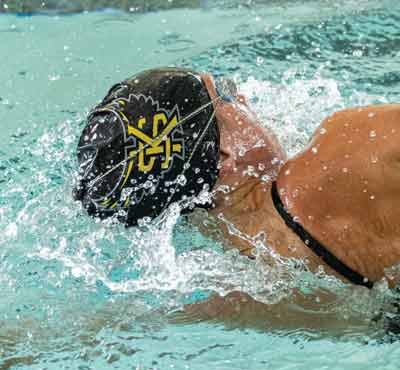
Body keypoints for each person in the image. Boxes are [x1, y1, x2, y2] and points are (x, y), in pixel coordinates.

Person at [73, 67, 400, 299]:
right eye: (227, 97)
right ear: (226, 157)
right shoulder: (344, 148)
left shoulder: (238, 291)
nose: (243, 97)